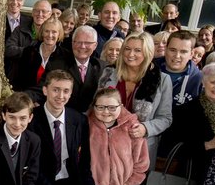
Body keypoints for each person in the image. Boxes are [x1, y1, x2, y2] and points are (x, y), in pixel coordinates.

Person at [98, 32, 173, 167]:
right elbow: (95, 106)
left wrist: (146, 128)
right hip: (105, 144)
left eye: (137, 50)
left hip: (139, 149)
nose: (130, 54)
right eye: (127, 49)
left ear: (148, 53)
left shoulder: (162, 80)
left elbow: (165, 118)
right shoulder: (109, 72)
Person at [13, 16, 73, 97]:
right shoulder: (29, 51)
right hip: (26, 98)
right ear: (42, 32)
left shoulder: (65, 56)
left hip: (51, 101)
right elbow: (19, 79)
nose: (50, 35)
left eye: (54, 32)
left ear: (59, 34)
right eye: (47, 31)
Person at [62, 25, 103, 114]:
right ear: (72, 43)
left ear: (95, 45)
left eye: (88, 43)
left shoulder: (102, 68)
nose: (83, 46)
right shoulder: (57, 64)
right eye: (78, 42)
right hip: (65, 116)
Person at [160, 29, 202, 108]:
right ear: (165, 50)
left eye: (183, 52)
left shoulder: (198, 79)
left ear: (191, 54)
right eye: (173, 50)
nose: (177, 56)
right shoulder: (149, 69)